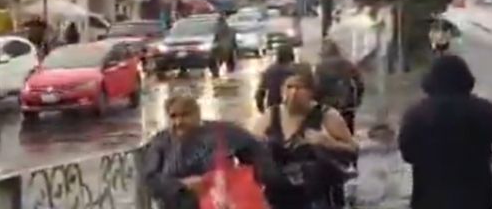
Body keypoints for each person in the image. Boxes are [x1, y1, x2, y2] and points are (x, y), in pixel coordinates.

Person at [398, 54, 492, 209]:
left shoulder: (416, 114)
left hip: (429, 197)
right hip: (476, 198)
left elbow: (407, 153)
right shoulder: (483, 110)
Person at [143, 94, 277, 209]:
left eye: (185, 115)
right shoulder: (161, 141)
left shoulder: (223, 131)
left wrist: (257, 181)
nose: (179, 122)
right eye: (173, 116)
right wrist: (181, 185)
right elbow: (150, 177)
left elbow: (256, 150)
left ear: (197, 114)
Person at [251, 64, 357, 209]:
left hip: (316, 197)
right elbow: (250, 147)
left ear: (311, 92)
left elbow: (353, 150)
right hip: (279, 196)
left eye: (300, 88)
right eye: (289, 87)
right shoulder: (272, 115)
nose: (293, 94)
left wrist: (328, 143)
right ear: (282, 90)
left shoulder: (326, 115)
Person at [314, 39, 364, 134]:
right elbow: (359, 83)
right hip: (347, 105)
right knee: (348, 132)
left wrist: (317, 103)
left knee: (330, 133)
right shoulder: (348, 65)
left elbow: (317, 87)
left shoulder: (320, 67)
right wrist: (357, 100)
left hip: (328, 105)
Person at [255, 45, 297, 113]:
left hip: (273, 110)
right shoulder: (296, 71)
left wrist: (262, 110)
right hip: (292, 110)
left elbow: (259, 93)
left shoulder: (269, 71)